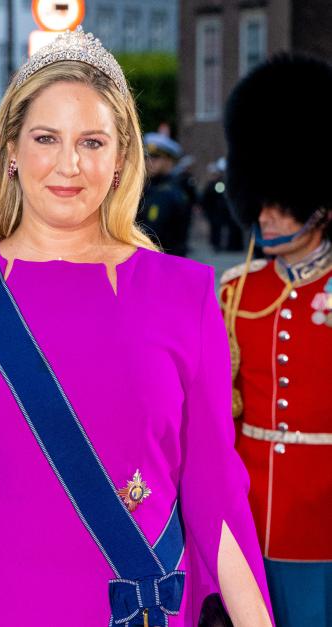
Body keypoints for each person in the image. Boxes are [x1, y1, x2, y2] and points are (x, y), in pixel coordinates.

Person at [0, 28, 274, 626]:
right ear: (11, 151)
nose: (70, 164)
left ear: (121, 159)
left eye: (92, 141)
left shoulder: (184, 293)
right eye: (47, 138)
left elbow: (215, 492)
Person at [219, 53, 332, 627]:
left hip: (324, 518)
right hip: (248, 515)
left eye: (280, 199)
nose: (263, 216)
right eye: (258, 197)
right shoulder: (235, 291)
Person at [138, 132, 191, 256]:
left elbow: (152, 232)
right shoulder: (152, 188)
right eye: (146, 157)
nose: (148, 162)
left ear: (169, 161)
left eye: (155, 157)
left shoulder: (168, 192)